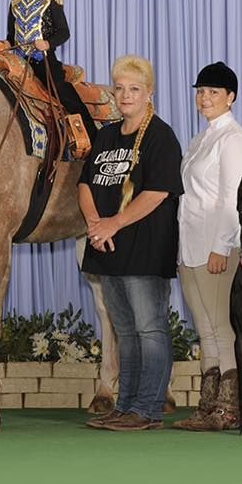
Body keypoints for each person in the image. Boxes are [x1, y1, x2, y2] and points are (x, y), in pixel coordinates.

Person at [78, 55, 183, 431]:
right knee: (124, 331)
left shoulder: (161, 137)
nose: (125, 95)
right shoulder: (105, 136)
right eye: (119, 88)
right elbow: (85, 183)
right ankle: (126, 406)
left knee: (149, 329)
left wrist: (114, 224)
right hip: (108, 249)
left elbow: (157, 193)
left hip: (146, 248)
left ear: (149, 92)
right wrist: (95, 225)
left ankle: (149, 408)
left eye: (134, 89)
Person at [174, 62, 242, 431]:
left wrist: (222, 245)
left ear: (230, 97)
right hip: (191, 244)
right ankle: (208, 406)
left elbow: (232, 199)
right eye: (201, 91)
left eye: (214, 92)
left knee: (222, 328)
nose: (205, 98)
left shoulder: (234, 139)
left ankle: (230, 407)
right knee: (205, 328)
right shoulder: (200, 139)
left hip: (216, 244)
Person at [0, 0, 95, 144]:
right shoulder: (15, 3)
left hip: (44, 61)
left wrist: (47, 43)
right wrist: (7, 45)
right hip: (20, 61)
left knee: (62, 92)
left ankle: (93, 136)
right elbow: (12, 35)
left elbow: (64, 32)